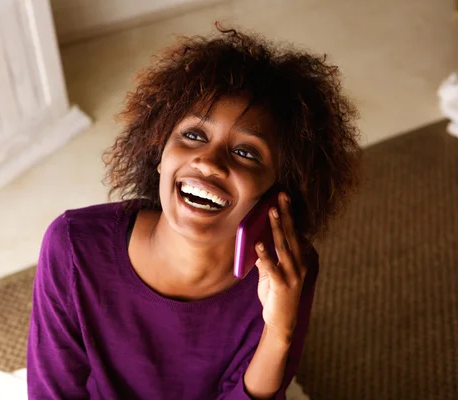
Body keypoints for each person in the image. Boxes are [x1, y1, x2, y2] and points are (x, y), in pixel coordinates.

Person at [27, 26, 361, 399]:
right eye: (194, 136)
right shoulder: (74, 245)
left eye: (246, 152)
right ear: (160, 152)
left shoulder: (288, 269)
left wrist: (280, 330)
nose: (209, 162)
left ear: (277, 194)